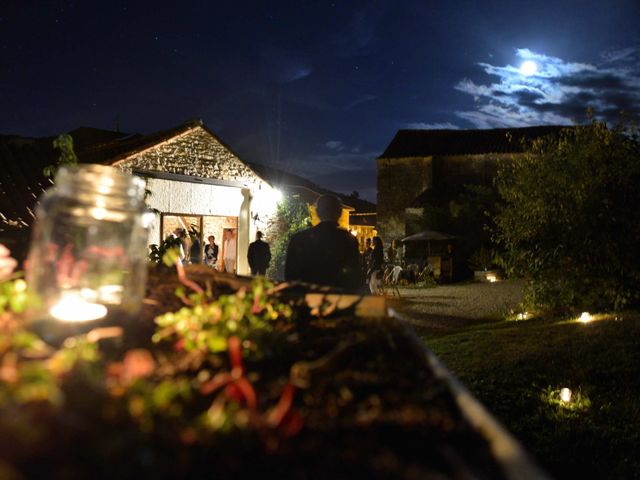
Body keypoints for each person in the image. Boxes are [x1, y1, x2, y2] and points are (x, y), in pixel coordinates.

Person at [285, 194, 360, 291]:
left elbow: (290, 276)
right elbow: (354, 277)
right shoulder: (349, 240)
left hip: (306, 299)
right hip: (338, 300)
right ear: (340, 212)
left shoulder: (299, 239)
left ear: (317, 212)